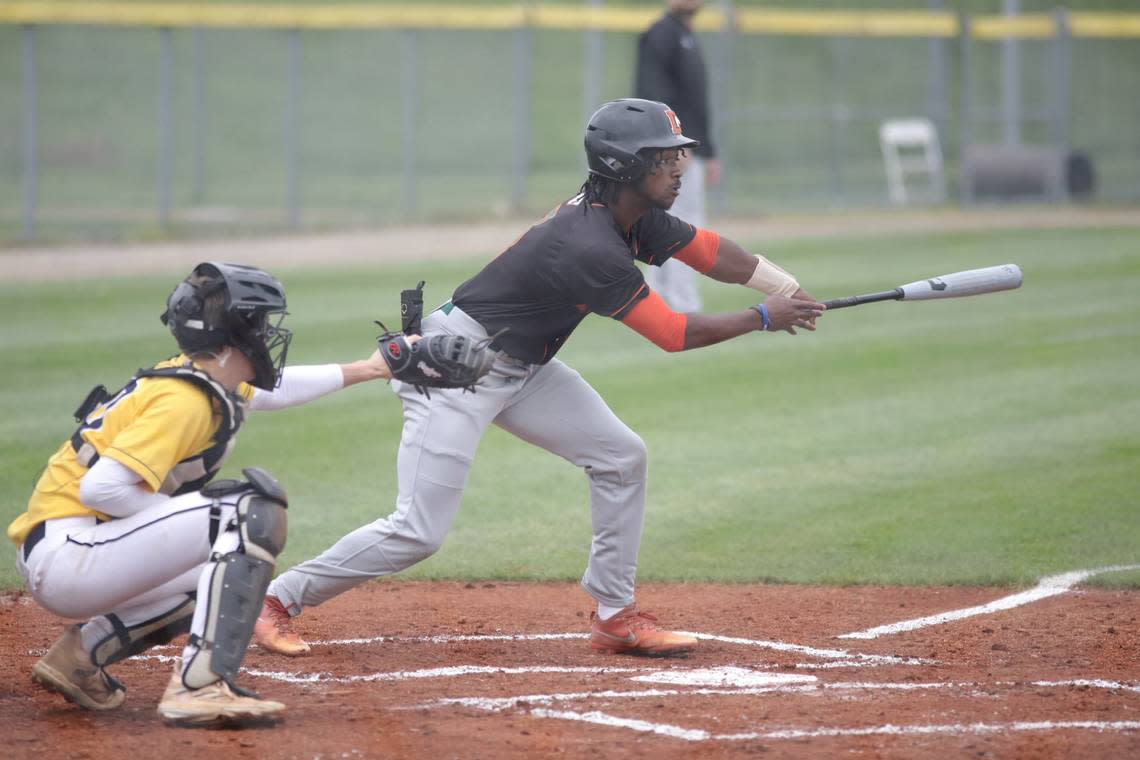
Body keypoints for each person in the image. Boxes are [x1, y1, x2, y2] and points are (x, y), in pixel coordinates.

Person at [254, 99, 824, 659]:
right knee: (418, 531)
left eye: (678, 154)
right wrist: (762, 318)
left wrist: (785, 286)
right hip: (455, 369)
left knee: (622, 458)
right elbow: (672, 333)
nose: (678, 167)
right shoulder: (588, 244)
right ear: (624, 166)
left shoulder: (631, 217)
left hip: (523, 368)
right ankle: (273, 600)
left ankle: (613, 616)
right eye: (662, 157)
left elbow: (710, 252)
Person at [8, 262, 398, 726]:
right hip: (72, 557)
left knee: (221, 571)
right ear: (232, 331)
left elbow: (273, 392)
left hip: (79, 550)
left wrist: (372, 369)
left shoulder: (200, 379)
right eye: (258, 323)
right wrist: (191, 518)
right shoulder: (185, 401)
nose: (268, 332)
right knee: (246, 514)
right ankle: (200, 689)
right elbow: (101, 486)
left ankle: (78, 657)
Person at [635, 0, 722, 313]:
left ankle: (664, 300)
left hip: (689, 147)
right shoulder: (661, 34)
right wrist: (669, 146)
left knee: (676, 223)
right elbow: (653, 94)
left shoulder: (687, 35)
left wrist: (709, 151)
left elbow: (697, 102)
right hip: (674, 149)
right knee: (681, 225)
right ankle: (680, 304)